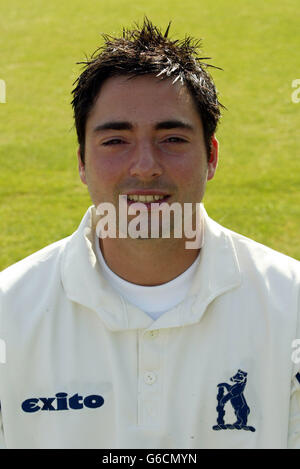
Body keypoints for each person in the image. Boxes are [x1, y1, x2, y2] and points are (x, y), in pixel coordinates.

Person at [0, 18, 299, 450]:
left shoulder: (291, 308)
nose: (145, 167)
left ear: (211, 156)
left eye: (172, 138)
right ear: (81, 161)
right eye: (116, 141)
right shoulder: (9, 314)